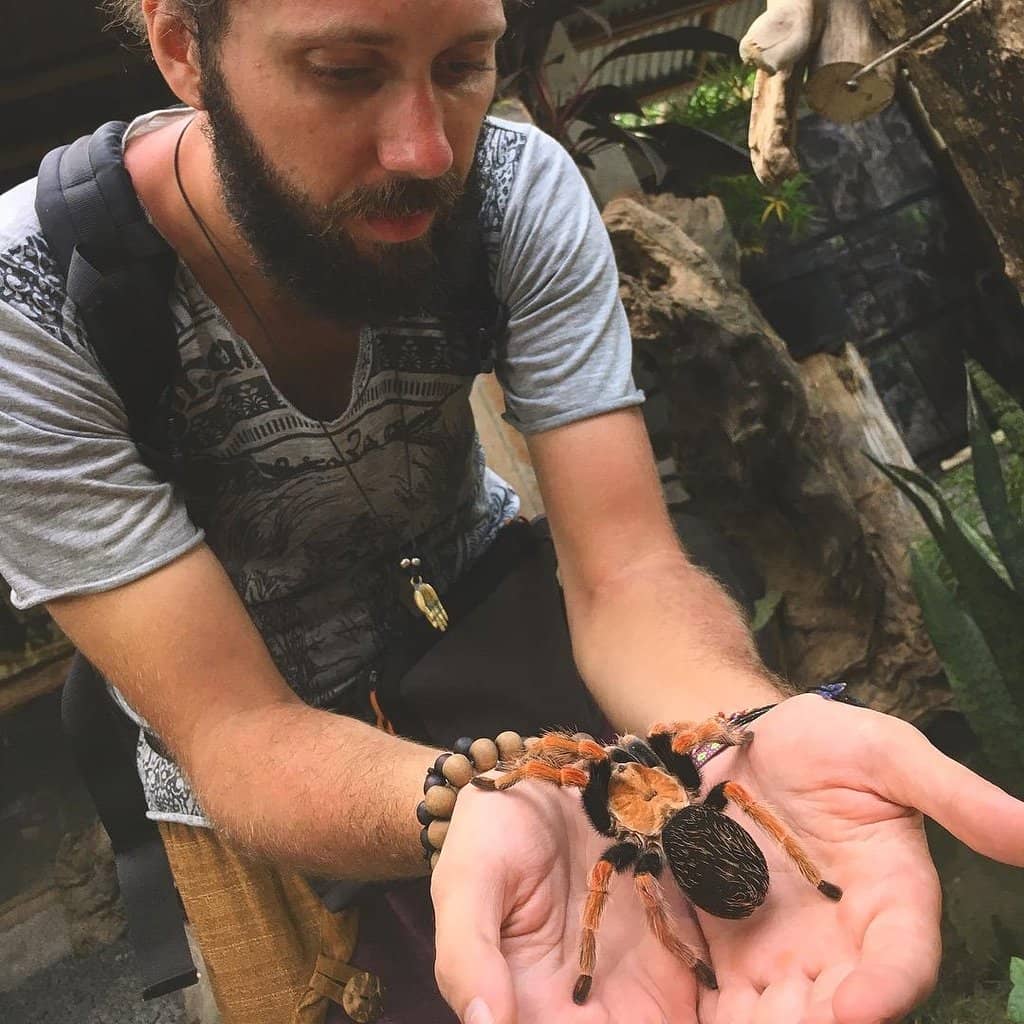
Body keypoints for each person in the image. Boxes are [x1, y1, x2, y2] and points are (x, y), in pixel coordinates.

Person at [1, 1, 1022, 1022]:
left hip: (487, 638)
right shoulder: (30, 308)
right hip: (258, 764)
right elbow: (235, 725)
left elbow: (624, 568)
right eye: (343, 70)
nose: (423, 147)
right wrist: (469, 803)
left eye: (464, 63)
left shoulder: (509, 186)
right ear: (183, 46)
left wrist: (739, 727)